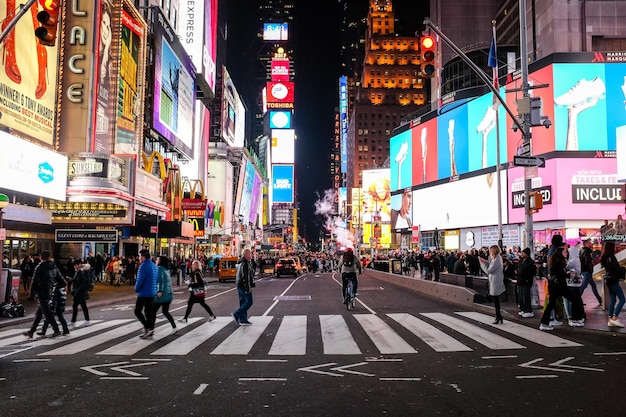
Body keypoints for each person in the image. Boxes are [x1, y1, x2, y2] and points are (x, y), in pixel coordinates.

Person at [539, 245, 585, 331]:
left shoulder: (555, 261)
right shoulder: (558, 262)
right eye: (564, 251)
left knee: (551, 304)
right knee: (574, 300)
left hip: (555, 286)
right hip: (559, 286)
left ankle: (544, 323)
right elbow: (559, 274)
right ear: (560, 253)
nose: (566, 253)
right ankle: (574, 319)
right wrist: (568, 274)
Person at [23, 251, 62, 338]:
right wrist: (53, 286)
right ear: (49, 257)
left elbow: (34, 281)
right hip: (49, 292)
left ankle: (56, 330)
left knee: (47, 313)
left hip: (42, 293)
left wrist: (33, 292)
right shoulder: (54, 266)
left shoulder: (40, 267)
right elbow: (61, 281)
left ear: (41, 258)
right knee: (39, 313)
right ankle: (31, 331)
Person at [601, 241, 625, 327]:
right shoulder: (611, 257)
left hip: (608, 280)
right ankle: (614, 318)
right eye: (614, 247)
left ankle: (610, 318)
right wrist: (622, 269)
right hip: (613, 280)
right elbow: (616, 269)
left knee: (613, 300)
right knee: (622, 299)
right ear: (611, 248)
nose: (615, 248)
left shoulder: (605, 257)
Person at [134, 250, 158, 338]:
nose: (139, 258)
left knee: (137, 311)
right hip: (152, 292)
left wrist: (136, 289)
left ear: (143, 257)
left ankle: (147, 327)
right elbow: (156, 279)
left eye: (140, 256)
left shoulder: (143, 266)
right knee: (149, 312)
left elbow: (140, 280)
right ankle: (150, 328)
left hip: (144, 292)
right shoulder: (154, 266)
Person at [479, 245, 505, 324]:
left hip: (495, 281)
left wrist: (482, 264)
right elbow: (491, 265)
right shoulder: (497, 258)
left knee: (496, 300)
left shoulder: (496, 260)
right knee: (496, 300)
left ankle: (498, 316)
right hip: (496, 280)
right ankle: (498, 316)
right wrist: (485, 261)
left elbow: (489, 270)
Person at [153, 256, 176, 333]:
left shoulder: (159, 269)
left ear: (160, 261)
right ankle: (174, 327)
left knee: (152, 311)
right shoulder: (167, 270)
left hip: (161, 295)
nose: (156, 260)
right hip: (168, 294)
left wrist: (160, 291)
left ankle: (150, 328)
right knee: (165, 311)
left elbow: (160, 281)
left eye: (157, 259)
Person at [232, 249, 255, 325]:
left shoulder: (240, 262)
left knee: (242, 302)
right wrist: (247, 288)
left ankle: (243, 319)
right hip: (244, 285)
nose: (251, 255)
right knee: (249, 302)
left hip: (239, 284)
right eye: (250, 254)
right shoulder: (245, 263)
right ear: (246, 255)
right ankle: (236, 314)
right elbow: (246, 277)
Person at [579, 239, 602, 306]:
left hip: (585, 271)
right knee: (583, 286)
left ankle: (599, 299)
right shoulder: (587, 251)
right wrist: (590, 268)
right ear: (586, 244)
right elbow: (587, 261)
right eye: (589, 243)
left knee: (593, 285)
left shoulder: (582, 251)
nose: (591, 244)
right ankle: (576, 299)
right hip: (587, 271)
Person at [69, 259, 91, 327]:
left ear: (79, 265)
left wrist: (78, 290)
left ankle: (73, 321)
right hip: (79, 291)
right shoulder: (79, 271)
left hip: (80, 292)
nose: (74, 266)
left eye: (75, 265)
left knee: (75, 306)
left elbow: (85, 282)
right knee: (83, 306)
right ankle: (87, 320)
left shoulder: (83, 271)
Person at [516, 248, 536, 318]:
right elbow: (517, 267)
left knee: (526, 296)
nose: (522, 254)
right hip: (520, 281)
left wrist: (523, 272)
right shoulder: (521, 261)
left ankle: (528, 310)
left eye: (523, 253)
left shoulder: (531, 262)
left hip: (526, 281)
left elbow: (533, 272)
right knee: (521, 296)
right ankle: (523, 309)